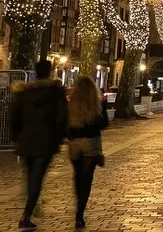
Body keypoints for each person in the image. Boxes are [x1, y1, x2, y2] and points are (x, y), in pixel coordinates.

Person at [11, 60, 67, 231]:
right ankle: (26, 215)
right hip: (45, 141)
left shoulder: (23, 93)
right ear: (50, 72)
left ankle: (31, 207)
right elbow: (62, 117)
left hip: (27, 141)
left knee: (30, 178)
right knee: (37, 179)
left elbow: (14, 118)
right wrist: (58, 139)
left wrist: (17, 138)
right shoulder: (55, 92)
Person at [66, 76, 109, 230]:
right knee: (87, 178)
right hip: (91, 143)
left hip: (74, 143)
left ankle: (78, 203)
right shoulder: (97, 104)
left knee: (77, 176)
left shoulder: (71, 104)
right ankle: (80, 212)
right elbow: (104, 124)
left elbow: (65, 124)